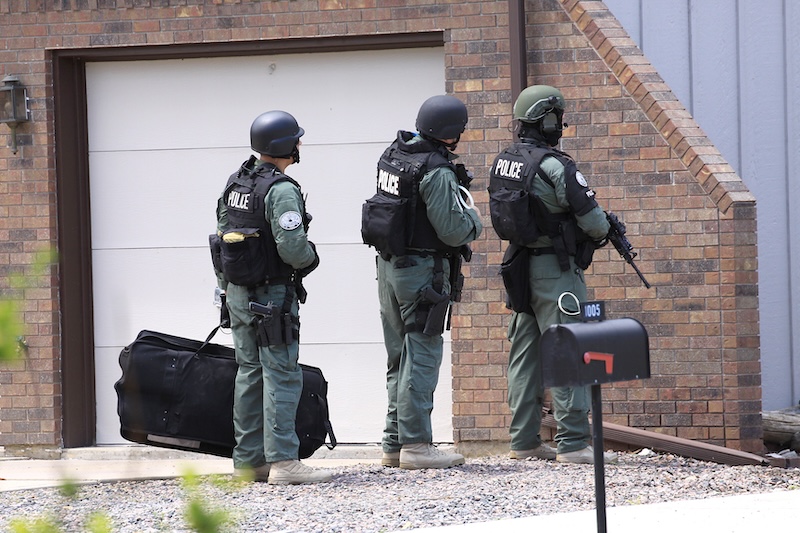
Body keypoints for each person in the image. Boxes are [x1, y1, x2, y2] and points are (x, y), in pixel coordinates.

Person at [488, 85, 617, 465]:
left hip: (520, 268)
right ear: (546, 119)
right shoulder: (556, 165)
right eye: (556, 117)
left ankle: (525, 441)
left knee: (524, 355)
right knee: (567, 349)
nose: (559, 124)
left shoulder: (506, 161)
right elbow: (594, 223)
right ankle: (574, 442)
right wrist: (601, 229)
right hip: (557, 272)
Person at [362, 95, 483, 470]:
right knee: (423, 355)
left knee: (399, 356)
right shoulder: (437, 170)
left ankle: (394, 442)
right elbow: (452, 230)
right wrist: (475, 220)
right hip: (423, 274)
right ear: (450, 132)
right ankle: (416, 445)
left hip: (389, 268)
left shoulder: (395, 155)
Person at [213, 110, 332, 484]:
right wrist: (312, 258)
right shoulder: (281, 190)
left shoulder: (236, 184)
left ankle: (248, 463)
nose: (299, 146)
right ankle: (284, 462)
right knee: (281, 374)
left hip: (237, 294)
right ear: (284, 146)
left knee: (249, 373)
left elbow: (221, 240)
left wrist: (227, 289)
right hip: (272, 298)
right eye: (296, 140)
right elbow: (293, 248)